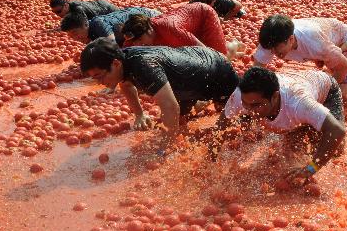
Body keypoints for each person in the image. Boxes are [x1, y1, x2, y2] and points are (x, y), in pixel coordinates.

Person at [80, 38, 239, 153]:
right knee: (181, 120)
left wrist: (166, 147)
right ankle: (200, 102)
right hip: (186, 80)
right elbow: (126, 85)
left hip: (215, 72)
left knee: (232, 115)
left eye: (100, 76)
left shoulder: (143, 66)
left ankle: (230, 52)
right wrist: (139, 115)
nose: (100, 82)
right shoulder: (123, 62)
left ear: (115, 64)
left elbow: (170, 107)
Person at [215, 67, 346, 185]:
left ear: (274, 97)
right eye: (245, 104)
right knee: (292, 151)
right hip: (299, 85)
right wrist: (211, 158)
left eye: (256, 105)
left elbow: (337, 131)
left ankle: (309, 124)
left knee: (335, 149)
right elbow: (220, 129)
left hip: (326, 91)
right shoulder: (241, 95)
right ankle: (304, 126)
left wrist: (311, 168)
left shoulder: (298, 103)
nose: (249, 110)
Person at [254, 14, 347, 100]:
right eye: (270, 49)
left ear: (291, 39)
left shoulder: (314, 42)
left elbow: (344, 66)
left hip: (345, 41)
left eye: (276, 48)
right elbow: (256, 74)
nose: (272, 52)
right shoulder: (270, 41)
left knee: (343, 95)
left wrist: (327, 95)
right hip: (325, 42)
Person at [120, 3, 243, 59]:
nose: (139, 45)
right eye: (136, 43)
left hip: (203, 15)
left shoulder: (169, 29)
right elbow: (122, 60)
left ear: (150, 30)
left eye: (141, 40)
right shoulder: (133, 37)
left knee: (221, 58)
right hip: (187, 25)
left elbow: (204, 52)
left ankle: (234, 45)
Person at [61, 6, 160, 45]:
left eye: (75, 33)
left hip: (149, 16)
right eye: (71, 36)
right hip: (132, 24)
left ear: (86, 24)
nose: (75, 38)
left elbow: (112, 46)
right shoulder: (88, 33)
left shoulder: (98, 24)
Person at [50, 0, 118, 19]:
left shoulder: (78, 9)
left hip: (106, 9)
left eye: (59, 11)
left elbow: (84, 25)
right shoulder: (68, 8)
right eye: (54, 12)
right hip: (98, 3)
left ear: (66, 5)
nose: (57, 14)